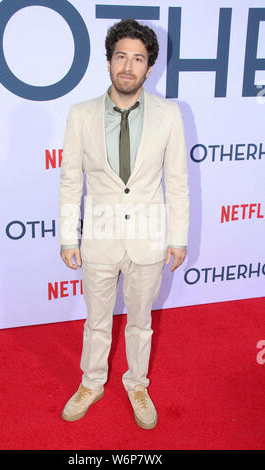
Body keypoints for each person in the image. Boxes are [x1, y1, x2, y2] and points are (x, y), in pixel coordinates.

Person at [59, 19, 189, 430]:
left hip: (149, 238)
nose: (128, 67)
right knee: (96, 320)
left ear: (150, 68)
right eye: (121, 57)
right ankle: (92, 382)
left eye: (138, 59)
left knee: (140, 320)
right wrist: (67, 235)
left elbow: (178, 181)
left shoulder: (170, 114)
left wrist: (178, 237)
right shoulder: (80, 115)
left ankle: (137, 384)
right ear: (109, 62)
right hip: (98, 236)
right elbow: (70, 180)